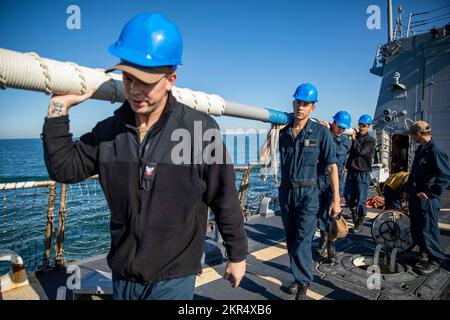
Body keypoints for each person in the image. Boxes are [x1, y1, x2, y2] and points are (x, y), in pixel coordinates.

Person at [41, 13, 247, 300]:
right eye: (128, 78)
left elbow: (224, 196)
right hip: (124, 274)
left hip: (174, 276)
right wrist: (58, 110)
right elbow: (63, 169)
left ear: (171, 79)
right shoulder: (107, 133)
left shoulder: (200, 130)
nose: (135, 90)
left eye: (145, 81)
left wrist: (237, 255)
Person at [278, 83, 340, 300]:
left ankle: (303, 285)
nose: (300, 107)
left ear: (313, 107)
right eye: (298, 102)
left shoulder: (322, 132)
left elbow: (332, 167)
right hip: (286, 194)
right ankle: (298, 277)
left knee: (303, 240)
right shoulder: (283, 133)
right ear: (293, 103)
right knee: (291, 238)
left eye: (306, 104)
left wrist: (336, 200)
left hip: (308, 194)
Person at [405, 121, 450, 275]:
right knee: (417, 228)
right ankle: (423, 254)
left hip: (427, 199)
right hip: (415, 195)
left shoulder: (435, 151)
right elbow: (414, 172)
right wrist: (407, 189)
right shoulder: (421, 149)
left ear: (419, 133)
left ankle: (435, 259)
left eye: (412, 135)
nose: (411, 138)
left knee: (428, 229)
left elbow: (445, 176)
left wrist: (431, 193)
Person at [316, 111, 352, 263]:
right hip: (319, 180)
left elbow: (339, 158)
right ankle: (323, 239)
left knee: (333, 214)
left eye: (344, 128)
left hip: (335, 182)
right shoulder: (322, 134)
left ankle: (331, 247)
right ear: (333, 123)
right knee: (319, 213)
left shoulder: (346, 141)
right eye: (339, 127)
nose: (341, 130)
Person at [344, 114, 375, 233]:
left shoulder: (370, 141)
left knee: (361, 199)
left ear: (368, 127)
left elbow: (361, 151)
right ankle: (354, 215)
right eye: (360, 125)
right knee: (348, 197)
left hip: (363, 173)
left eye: (364, 126)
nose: (361, 127)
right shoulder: (354, 138)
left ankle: (359, 221)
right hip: (351, 172)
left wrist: (354, 140)